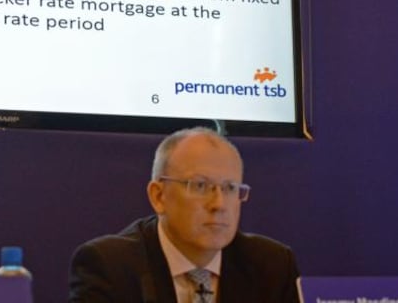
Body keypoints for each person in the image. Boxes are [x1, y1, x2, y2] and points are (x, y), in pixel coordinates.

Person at [68, 127, 300, 303]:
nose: (219, 204)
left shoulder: (272, 266)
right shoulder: (110, 267)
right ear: (159, 196)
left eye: (230, 188)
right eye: (200, 186)